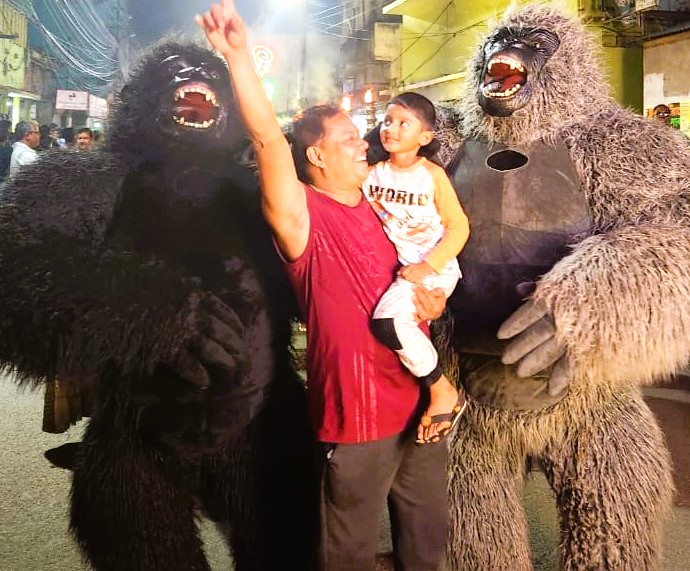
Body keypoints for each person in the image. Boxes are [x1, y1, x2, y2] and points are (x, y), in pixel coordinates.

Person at [197, 2, 451, 569]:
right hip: (357, 411)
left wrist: (431, 301)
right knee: (347, 552)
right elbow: (268, 141)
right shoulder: (301, 217)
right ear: (316, 155)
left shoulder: (382, 206)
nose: (366, 143)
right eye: (349, 138)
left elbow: (413, 278)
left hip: (420, 397)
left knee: (427, 543)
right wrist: (238, 56)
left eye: (362, 135)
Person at [365, 92, 470, 444]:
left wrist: (428, 266)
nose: (391, 128)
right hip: (408, 270)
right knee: (391, 325)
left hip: (436, 269)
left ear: (424, 136)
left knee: (389, 322)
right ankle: (432, 394)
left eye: (403, 123)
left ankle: (442, 391)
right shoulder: (372, 174)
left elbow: (459, 227)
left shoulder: (432, 175)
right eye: (387, 121)